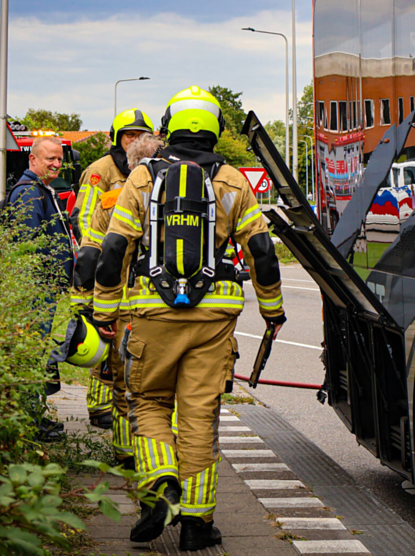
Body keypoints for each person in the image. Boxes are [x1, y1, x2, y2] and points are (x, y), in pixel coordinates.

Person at [91, 85, 285, 550]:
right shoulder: (233, 181)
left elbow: (114, 249)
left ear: (168, 128)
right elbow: (261, 250)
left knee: (149, 403)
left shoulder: (142, 178)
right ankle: (197, 526)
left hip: (152, 316)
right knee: (200, 414)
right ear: (215, 128)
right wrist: (272, 309)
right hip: (213, 321)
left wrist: (103, 311)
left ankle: (161, 485)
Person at [70, 109, 155, 432]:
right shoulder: (100, 171)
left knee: (124, 345)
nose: (135, 140)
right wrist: (102, 257)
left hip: (134, 273)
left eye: (140, 135)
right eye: (129, 135)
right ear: (117, 138)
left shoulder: (148, 170)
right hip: (107, 264)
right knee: (105, 341)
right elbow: (85, 218)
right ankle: (98, 405)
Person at [8, 135, 76, 440]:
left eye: (59, 159)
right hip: (35, 290)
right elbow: (28, 243)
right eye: (50, 158)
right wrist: (44, 279)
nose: (56, 164)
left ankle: (32, 418)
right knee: (29, 355)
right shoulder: (29, 193)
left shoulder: (42, 190)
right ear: (32, 159)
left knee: (34, 355)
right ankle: (29, 423)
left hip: (42, 288)